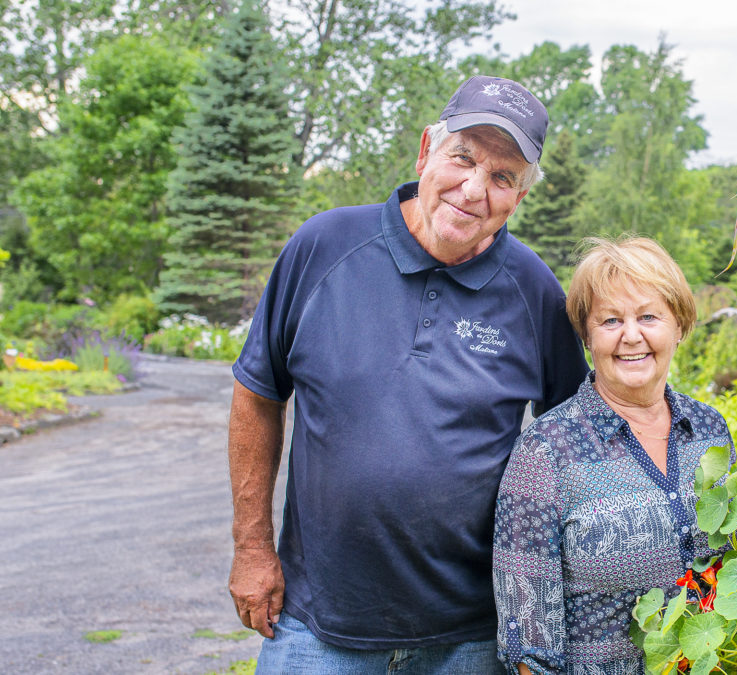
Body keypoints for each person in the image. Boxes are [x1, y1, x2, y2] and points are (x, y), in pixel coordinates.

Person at [227, 75, 589, 674]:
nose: (474, 190)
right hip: (317, 629)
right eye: (463, 159)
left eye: (502, 178)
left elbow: (572, 438)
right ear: (426, 151)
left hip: (472, 637)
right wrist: (252, 548)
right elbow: (257, 393)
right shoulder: (324, 246)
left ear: (518, 198)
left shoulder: (534, 292)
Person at [492, 237, 736, 674]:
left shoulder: (709, 430)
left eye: (648, 316)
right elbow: (527, 642)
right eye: (610, 320)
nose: (631, 335)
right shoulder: (546, 450)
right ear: (587, 336)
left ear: (679, 325)